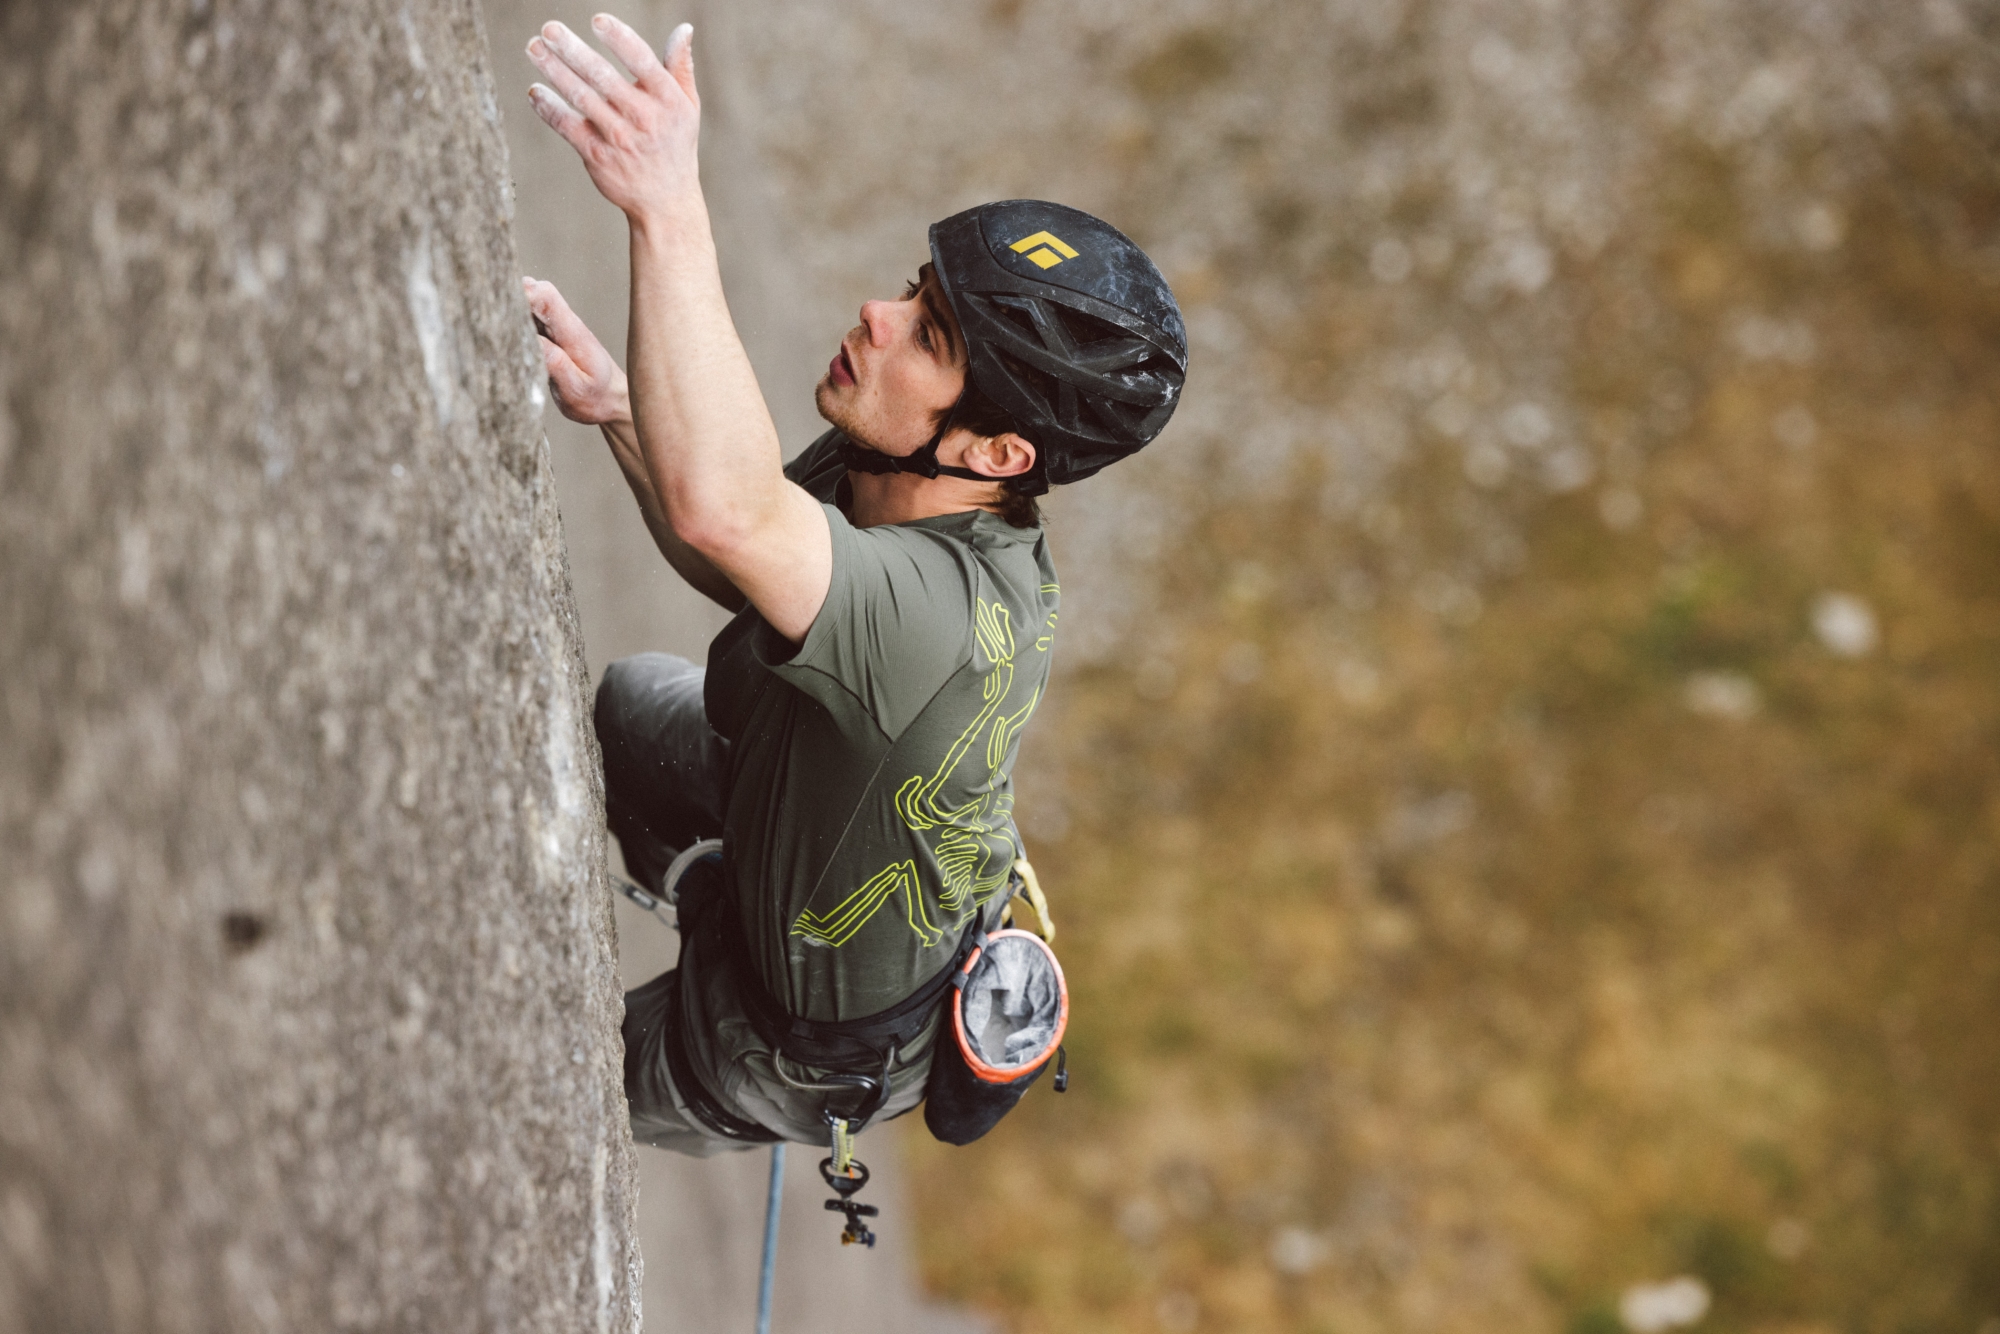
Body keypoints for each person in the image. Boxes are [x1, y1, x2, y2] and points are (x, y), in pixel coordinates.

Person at [519, 14, 1186, 1155]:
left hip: (791, 1039)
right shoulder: (895, 465)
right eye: (911, 291)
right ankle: (699, 869)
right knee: (638, 700)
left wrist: (667, 208)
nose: (877, 318)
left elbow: (719, 508)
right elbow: (738, 549)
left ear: (996, 454)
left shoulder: (937, 618)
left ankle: (683, 975)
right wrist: (631, 412)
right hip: (801, 792)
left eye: (925, 334)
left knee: (528, 1090)